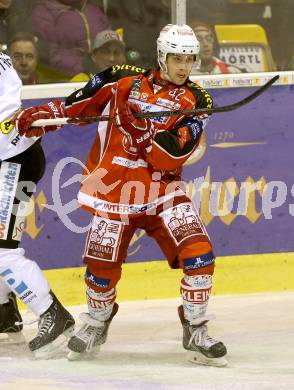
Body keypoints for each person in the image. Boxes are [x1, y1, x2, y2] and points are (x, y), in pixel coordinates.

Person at [14, 24, 227, 366]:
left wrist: (142, 131)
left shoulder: (197, 100)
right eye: (177, 59)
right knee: (101, 266)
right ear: (162, 56)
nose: (184, 67)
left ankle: (196, 327)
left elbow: (168, 155)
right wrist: (45, 115)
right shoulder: (121, 79)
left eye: (190, 59)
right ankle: (97, 322)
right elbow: (80, 104)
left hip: (162, 191)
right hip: (115, 190)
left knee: (199, 254)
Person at [0, 52, 75, 358]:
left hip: (11, 162)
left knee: (1, 250)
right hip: (15, 155)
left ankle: (51, 313)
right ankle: (4, 314)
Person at [31, 0, 111, 77]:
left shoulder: (94, 11)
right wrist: (86, 70)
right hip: (65, 80)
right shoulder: (45, 12)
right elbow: (50, 56)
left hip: (100, 75)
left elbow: (110, 44)